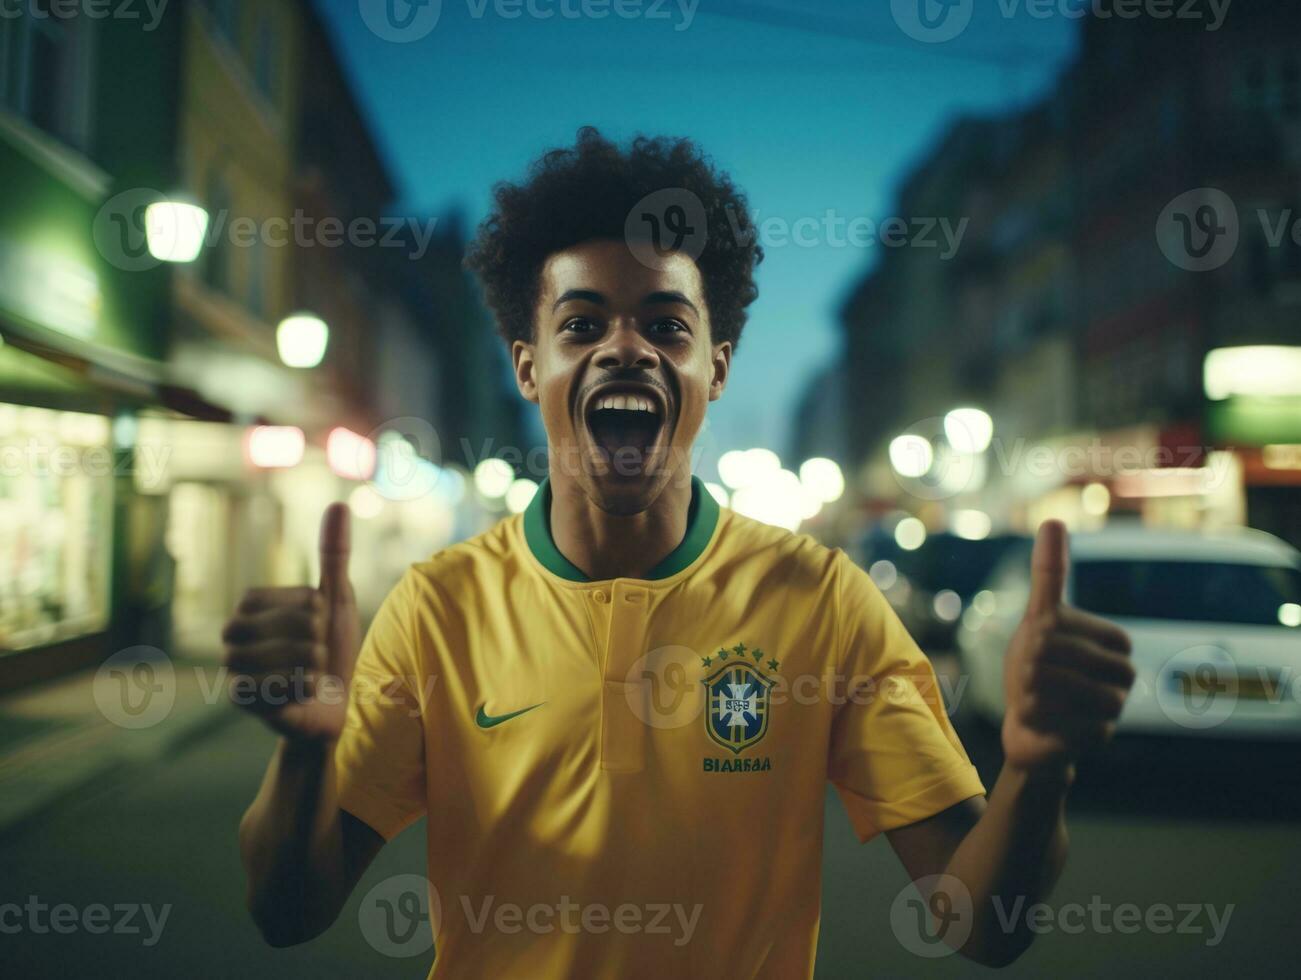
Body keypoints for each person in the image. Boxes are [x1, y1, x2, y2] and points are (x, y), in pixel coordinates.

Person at [222, 128, 1135, 977]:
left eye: (666, 325)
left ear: (717, 368)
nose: (625, 346)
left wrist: (1036, 771)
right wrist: (304, 754)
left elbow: (982, 924)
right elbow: (287, 910)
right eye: (581, 324)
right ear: (528, 366)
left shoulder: (819, 600)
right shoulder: (437, 608)